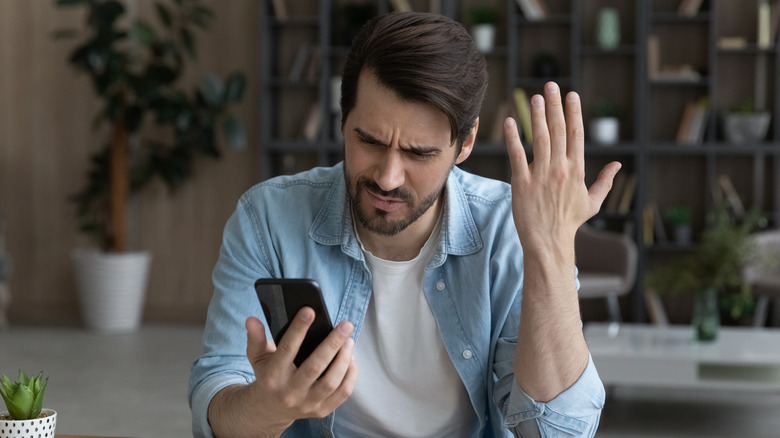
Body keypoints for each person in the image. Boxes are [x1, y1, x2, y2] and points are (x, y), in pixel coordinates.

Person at [189, 11, 619, 438]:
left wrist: (552, 249)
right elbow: (217, 400)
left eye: (419, 153)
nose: (387, 177)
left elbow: (555, 434)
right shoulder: (267, 217)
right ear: (343, 121)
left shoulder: (509, 228)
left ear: (464, 143)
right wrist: (265, 409)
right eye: (369, 141)